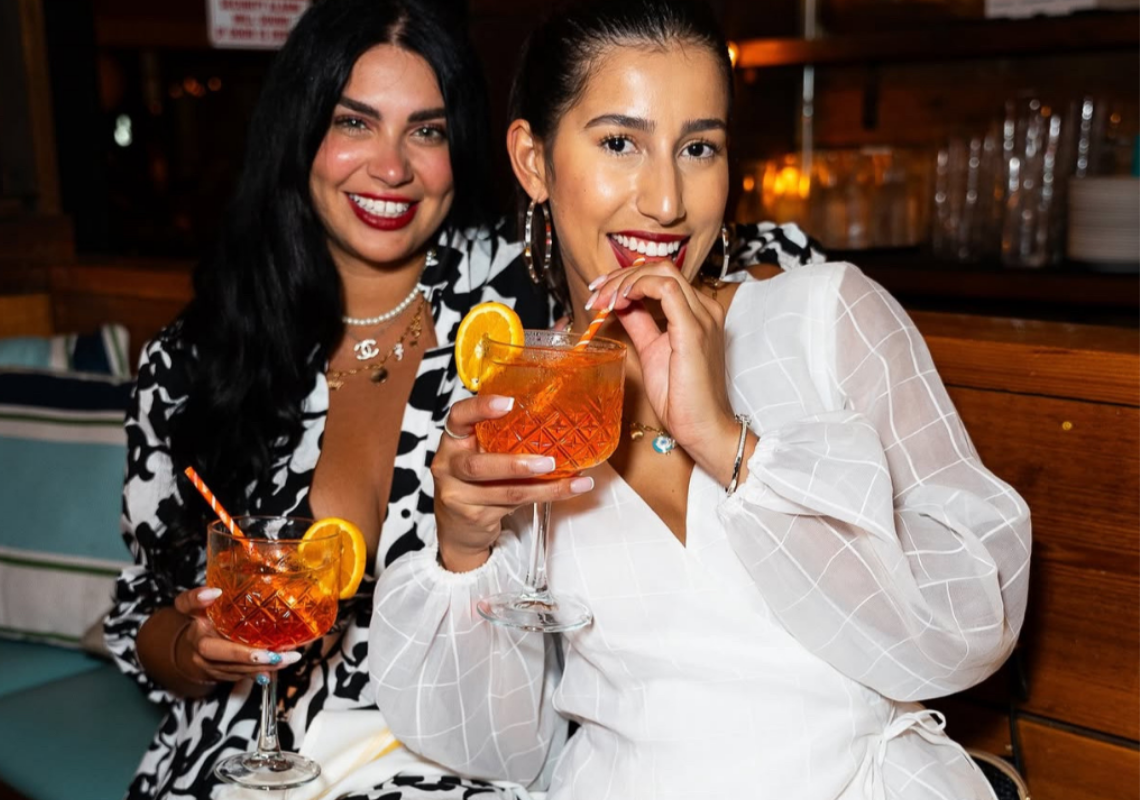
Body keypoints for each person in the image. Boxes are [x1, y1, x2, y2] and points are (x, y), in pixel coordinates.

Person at [369, 1, 1032, 798]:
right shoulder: (531, 398)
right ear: (533, 161)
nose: (666, 201)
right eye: (620, 143)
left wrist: (728, 444)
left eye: (698, 147)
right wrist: (463, 550)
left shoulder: (825, 317)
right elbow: (498, 747)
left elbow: (968, 628)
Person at [103, 1, 554, 798]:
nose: (392, 167)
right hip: (249, 754)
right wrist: (194, 649)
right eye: (355, 123)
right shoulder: (193, 359)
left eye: (427, 131)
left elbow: (702, 250)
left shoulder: (522, 309)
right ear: (300, 130)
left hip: (458, 752)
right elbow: (144, 608)